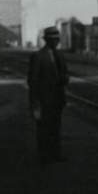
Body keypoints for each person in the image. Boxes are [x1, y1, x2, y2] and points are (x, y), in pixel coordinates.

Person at [27, 25, 69, 163]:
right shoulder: (38, 56)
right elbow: (32, 80)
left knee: (56, 128)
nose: (56, 42)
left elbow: (65, 75)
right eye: (54, 39)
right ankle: (44, 156)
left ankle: (55, 154)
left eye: (57, 39)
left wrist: (64, 79)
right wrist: (34, 102)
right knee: (43, 129)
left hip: (57, 99)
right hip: (43, 100)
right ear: (47, 40)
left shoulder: (60, 56)